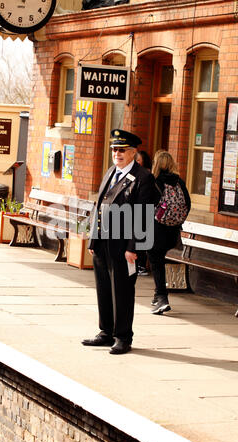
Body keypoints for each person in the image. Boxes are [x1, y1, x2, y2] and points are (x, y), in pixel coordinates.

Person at [82, 129, 155, 354]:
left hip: (124, 246)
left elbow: (145, 216)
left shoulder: (144, 178)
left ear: (133, 152)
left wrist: (134, 248)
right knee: (104, 289)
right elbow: (99, 206)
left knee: (122, 291)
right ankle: (106, 332)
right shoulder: (111, 172)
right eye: (114, 149)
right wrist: (93, 240)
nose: (117, 153)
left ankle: (123, 336)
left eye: (122, 150)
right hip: (103, 242)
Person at [148, 150, 191, 315]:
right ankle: (157, 296)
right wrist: (176, 221)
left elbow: (147, 206)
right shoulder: (179, 182)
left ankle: (161, 298)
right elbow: (187, 204)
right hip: (173, 232)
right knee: (159, 261)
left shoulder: (155, 182)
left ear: (156, 164)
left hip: (156, 229)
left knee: (156, 262)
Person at [134, 150, 152, 276]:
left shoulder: (147, 176)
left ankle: (141, 265)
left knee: (140, 237)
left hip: (144, 213)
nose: (136, 162)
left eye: (138, 160)